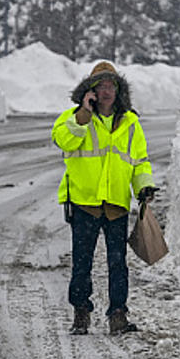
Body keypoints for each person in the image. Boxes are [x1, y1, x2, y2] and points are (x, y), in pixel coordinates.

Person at [52, 61, 157, 335]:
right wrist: (83, 115)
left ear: (118, 90)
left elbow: (139, 162)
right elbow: (63, 141)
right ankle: (81, 313)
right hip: (84, 203)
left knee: (117, 263)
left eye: (111, 85)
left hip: (115, 205)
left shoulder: (131, 122)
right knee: (82, 263)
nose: (106, 91)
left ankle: (118, 315)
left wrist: (144, 186)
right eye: (100, 86)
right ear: (90, 90)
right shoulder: (73, 118)